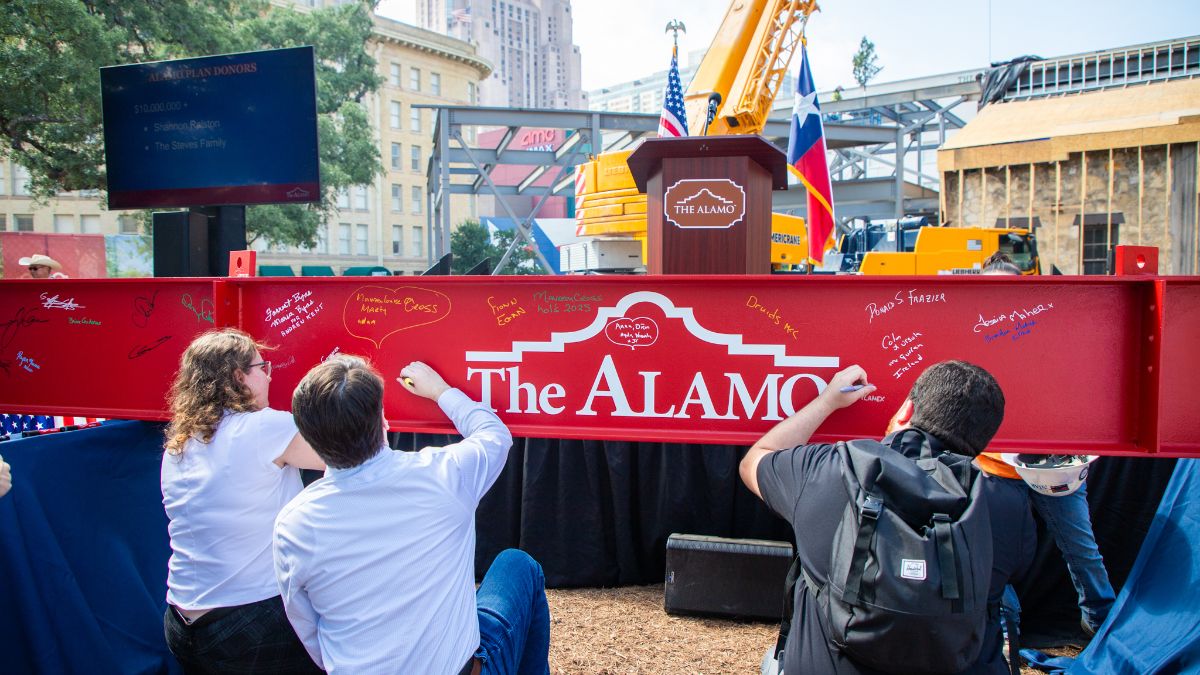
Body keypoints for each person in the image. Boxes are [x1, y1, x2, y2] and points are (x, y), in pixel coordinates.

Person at [741, 361, 1036, 675]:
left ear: (907, 410)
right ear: (986, 440)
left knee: (773, 661)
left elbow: (757, 460)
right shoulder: (1009, 509)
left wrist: (827, 401)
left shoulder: (829, 469)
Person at [274, 356, 550, 674]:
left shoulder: (292, 524)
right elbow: (494, 435)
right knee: (517, 566)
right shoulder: (443, 476)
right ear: (382, 420)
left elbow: (310, 633)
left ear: (308, 437)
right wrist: (441, 391)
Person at [160, 328, 325, 674]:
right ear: (239, 377)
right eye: (261, 366)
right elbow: (350, 452)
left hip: (181, 618)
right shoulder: (264, 427)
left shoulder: (181, 441)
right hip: (248, 618)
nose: (268, 376)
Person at [979, 252, 1116, 636]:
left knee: (1082, 549)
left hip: (1051, 466)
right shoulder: (968, 339)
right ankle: (1005, 632)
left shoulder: (1047, 337)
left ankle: (1100, 621)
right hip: (992, 468)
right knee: (992, 557)